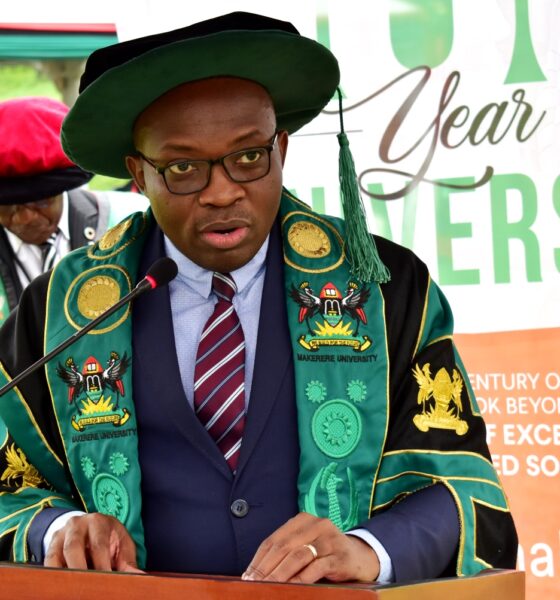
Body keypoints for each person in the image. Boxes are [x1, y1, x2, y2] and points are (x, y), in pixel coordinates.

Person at [0, 12, 517, 584]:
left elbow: (460, 483)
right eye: (182, 168)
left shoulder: (384, 288)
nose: (222, 192)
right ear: (137, 175)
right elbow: (8, 482)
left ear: (283, 148)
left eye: (250, 156)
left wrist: (371, 548)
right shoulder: (61, 311)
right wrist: (57, 528)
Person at [0, 97, 107, 326]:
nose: (24, 218)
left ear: (62, 191)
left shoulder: (122, 223)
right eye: (6, 206)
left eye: (40, 202)